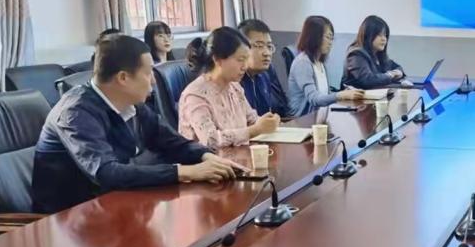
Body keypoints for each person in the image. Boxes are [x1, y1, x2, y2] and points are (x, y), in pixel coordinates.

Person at [32, 34, 245, 213]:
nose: (153, 80)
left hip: (114, 204)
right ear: (123, 78)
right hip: (69, 219)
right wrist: (187, 172)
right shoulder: (75, 113)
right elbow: (107, 173)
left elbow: (171, 141)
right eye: (148, 72)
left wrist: (207, 157)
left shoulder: (132, 103)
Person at [178, 27, 281, 149]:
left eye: (246, 59)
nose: (245, 66)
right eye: (240, 60)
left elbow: (251, 119)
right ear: (217, 60)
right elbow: (210, 141)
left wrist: (268, 122)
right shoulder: (195, 95)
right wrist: (255, 130)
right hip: (208, 160)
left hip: (238, 155)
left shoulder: (234, 87)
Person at [288, 15, 365, 117]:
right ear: (314, 37)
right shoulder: (303, 63)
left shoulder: (320, 63)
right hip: (303, 120)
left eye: (332, 38)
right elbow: (315, 99)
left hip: (319, 117)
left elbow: (326, 95)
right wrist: (340, 95)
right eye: (328, 37)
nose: (330, 42)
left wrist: (346, 93)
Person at [237, 19, 288, 117]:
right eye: (259, 46)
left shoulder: (265, 74)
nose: (267, 53)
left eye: (269, 46)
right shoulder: (234, 80)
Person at [341, 15, 408, 89]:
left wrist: (399, 72)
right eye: (380, 35)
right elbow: (368, 80)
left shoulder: (378, 55)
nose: (384, 39)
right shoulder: (356, 54)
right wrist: (390, 75)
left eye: (385, 35)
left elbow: (397, 67)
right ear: (368, 35)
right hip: (357, 96)